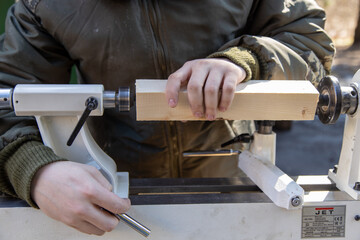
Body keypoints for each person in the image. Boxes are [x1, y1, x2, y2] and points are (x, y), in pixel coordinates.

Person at [0, 0, 334, 236]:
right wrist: (34, 169)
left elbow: (308, 41)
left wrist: (246, 60)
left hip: (234, 185)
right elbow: (7, 94)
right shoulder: (41, 6)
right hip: (117, 201)